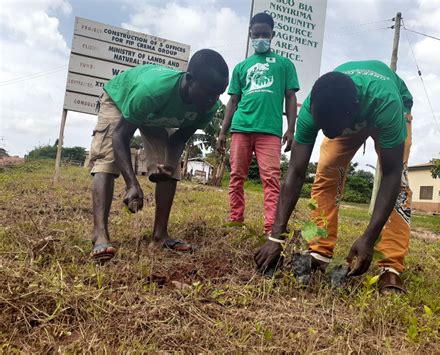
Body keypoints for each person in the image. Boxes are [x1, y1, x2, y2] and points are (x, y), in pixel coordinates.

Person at [255, 60, 413, 293]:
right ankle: (319, 250)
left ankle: (390, 267)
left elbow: (390, 174)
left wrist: (368, 237)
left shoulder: (386, 104)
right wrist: (275, 237)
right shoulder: (312, 110)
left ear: (351, 114)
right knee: (327, 172)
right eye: (321, 126)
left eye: (331, 127)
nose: (326, 133)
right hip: (348, 111)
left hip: (389, 108)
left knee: (398, 185)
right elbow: (296, 171)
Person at [88, 49, 229, 261]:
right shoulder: (151, 91)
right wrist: (131, 184)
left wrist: (166, 163)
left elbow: (179, 139)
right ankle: (100, 235)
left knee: (170, 169)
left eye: (219, 93)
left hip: (155, 115)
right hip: (121, 100)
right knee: (106, 162)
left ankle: (160, 236)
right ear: (189, 80)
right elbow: (120, 136)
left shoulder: (208, 107)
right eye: (209, 92)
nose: (213, 100)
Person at [217, 12, 299, 235]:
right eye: (256, 34)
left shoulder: (284, 65)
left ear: (273, 34)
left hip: (269, 131)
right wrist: (223, 131)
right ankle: (236, 220)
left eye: (265, 34)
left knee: (271, 179)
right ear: (250, 35)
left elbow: (291, 97)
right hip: (241, 128)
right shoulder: (241, 67)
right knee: (236, 177)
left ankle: (270, 228)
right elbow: (233, 100)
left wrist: (291, 128)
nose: (260, 37)